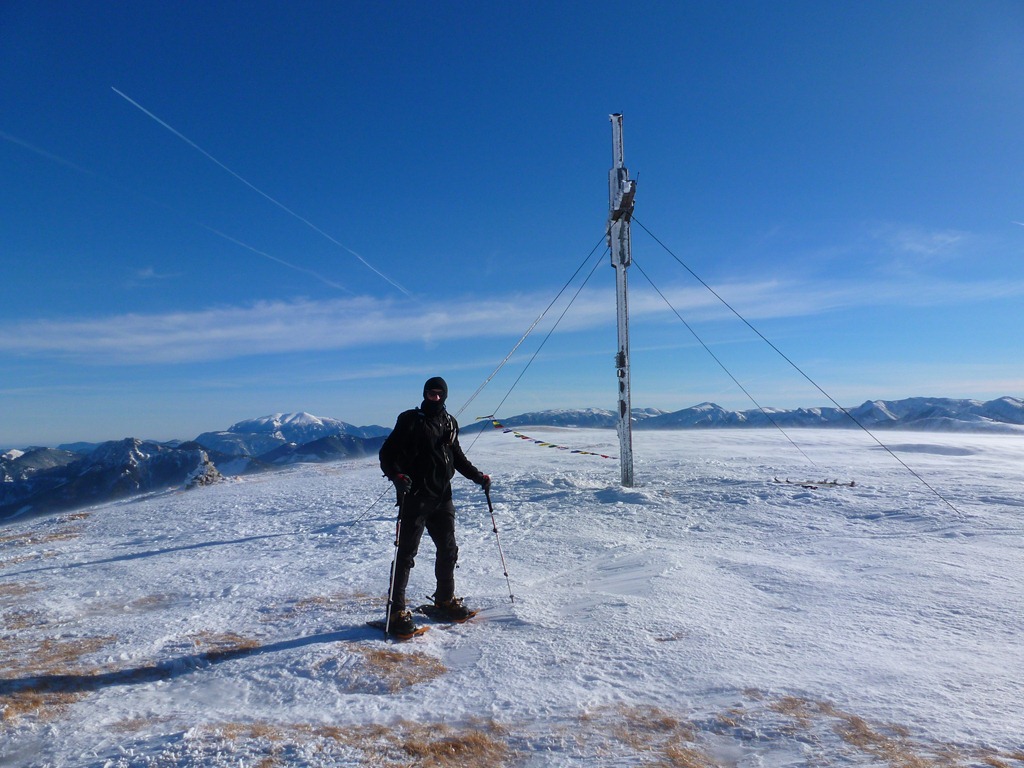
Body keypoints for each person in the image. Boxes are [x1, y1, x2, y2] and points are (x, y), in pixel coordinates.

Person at [378, 376, 491, 636]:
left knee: (448, 550)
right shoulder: (410, 420)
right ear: (425, 394)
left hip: (442, 497)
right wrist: (396, 476)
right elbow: (387, 454)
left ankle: (444, 599)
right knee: (406, 554)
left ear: (445, 395)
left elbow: (456, 456)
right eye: (431, 393)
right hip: (415, 497)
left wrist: (477, 477)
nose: (436, 397)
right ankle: (396, 612)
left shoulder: (449, 422)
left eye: (440, 393)